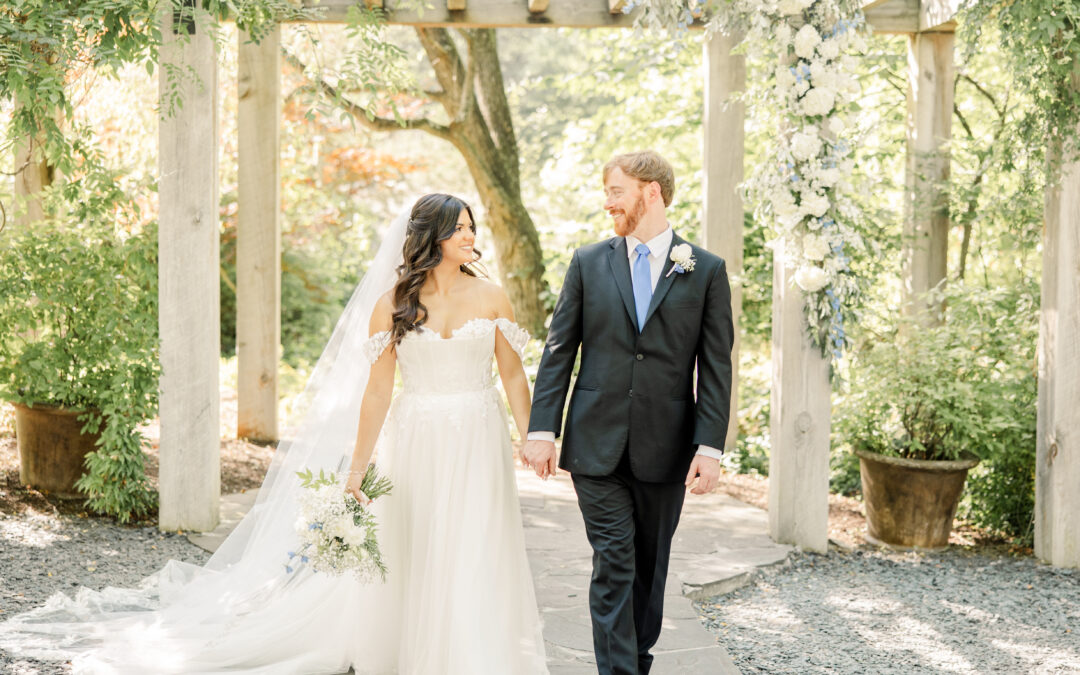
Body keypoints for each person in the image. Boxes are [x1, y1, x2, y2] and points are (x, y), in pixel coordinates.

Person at [0, 193, 549, 674]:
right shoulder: (392, 305)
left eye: (472, 227)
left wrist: (532, 437)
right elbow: (378, 393)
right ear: (431, 238)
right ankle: (417, 648)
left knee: (476, 538)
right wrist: (356, 470)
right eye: (459, 228)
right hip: (416, 438)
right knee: (417, 539)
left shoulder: (493, 296)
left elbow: (512, 376)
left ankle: (474, 653)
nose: (470, 235)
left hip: (477, 435)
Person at [523, 151, 733, 675]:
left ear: (652, 191)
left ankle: (634, 660)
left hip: (667, 447)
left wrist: (710, 448)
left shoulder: (704, 269)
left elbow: (715, 367)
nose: (607, 202)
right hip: (596, 444)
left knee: (648, 570)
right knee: (615, 562)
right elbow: (558, 351)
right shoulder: (588, 262)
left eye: (616, 191)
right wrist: (542, 429)